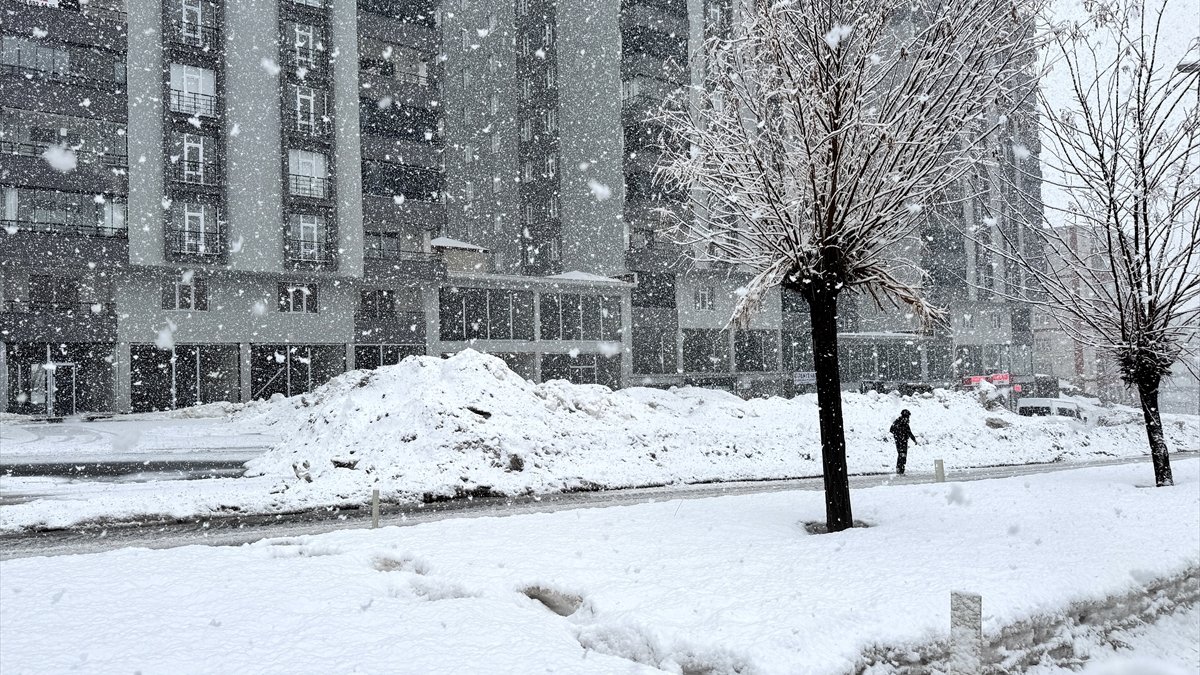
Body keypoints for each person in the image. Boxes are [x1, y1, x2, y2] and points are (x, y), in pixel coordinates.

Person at [889, 409, 918, 475]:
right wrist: (898, 434)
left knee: (903, 456)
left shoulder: (905, 424)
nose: (907, 418)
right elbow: (891, 430)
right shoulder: (898, 422)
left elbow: (909, 432)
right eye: (907, 417)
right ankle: (899, 470)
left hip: (904, 441)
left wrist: (914, 439)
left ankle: (901, 470)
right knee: (901, 455)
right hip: (899, 441)